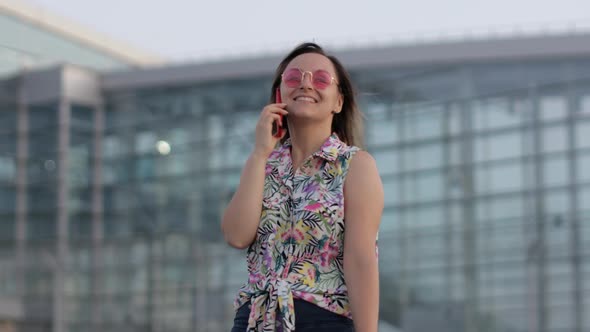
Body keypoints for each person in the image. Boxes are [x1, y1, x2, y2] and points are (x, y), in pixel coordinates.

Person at [221, 42, 384, 332]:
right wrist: (259, 153)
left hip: (322, 319)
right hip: (254, 321)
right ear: (278, 94)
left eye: (321, 79)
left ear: (338, 102)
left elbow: (361, 261)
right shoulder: (263, 163)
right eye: (294, 78)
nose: (306, 84)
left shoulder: (355, 165)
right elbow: (236, 235)